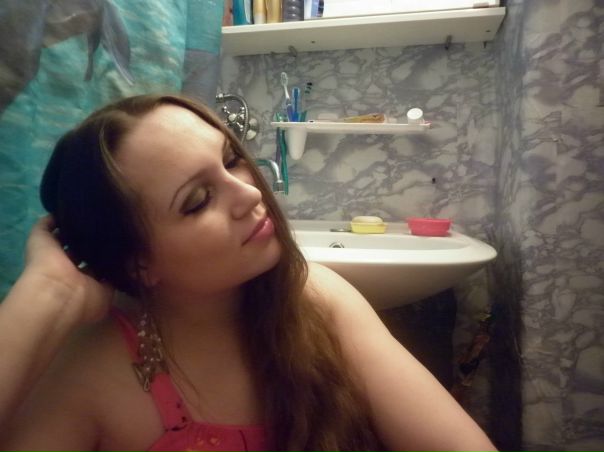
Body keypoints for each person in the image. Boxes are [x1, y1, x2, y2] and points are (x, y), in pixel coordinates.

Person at [0, 94, 498, 452]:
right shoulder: (92, 369)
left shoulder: (315, 298)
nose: (251, 194)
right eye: (198, 200)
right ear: (139, 263)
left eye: (231, 159)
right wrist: (48, 292)